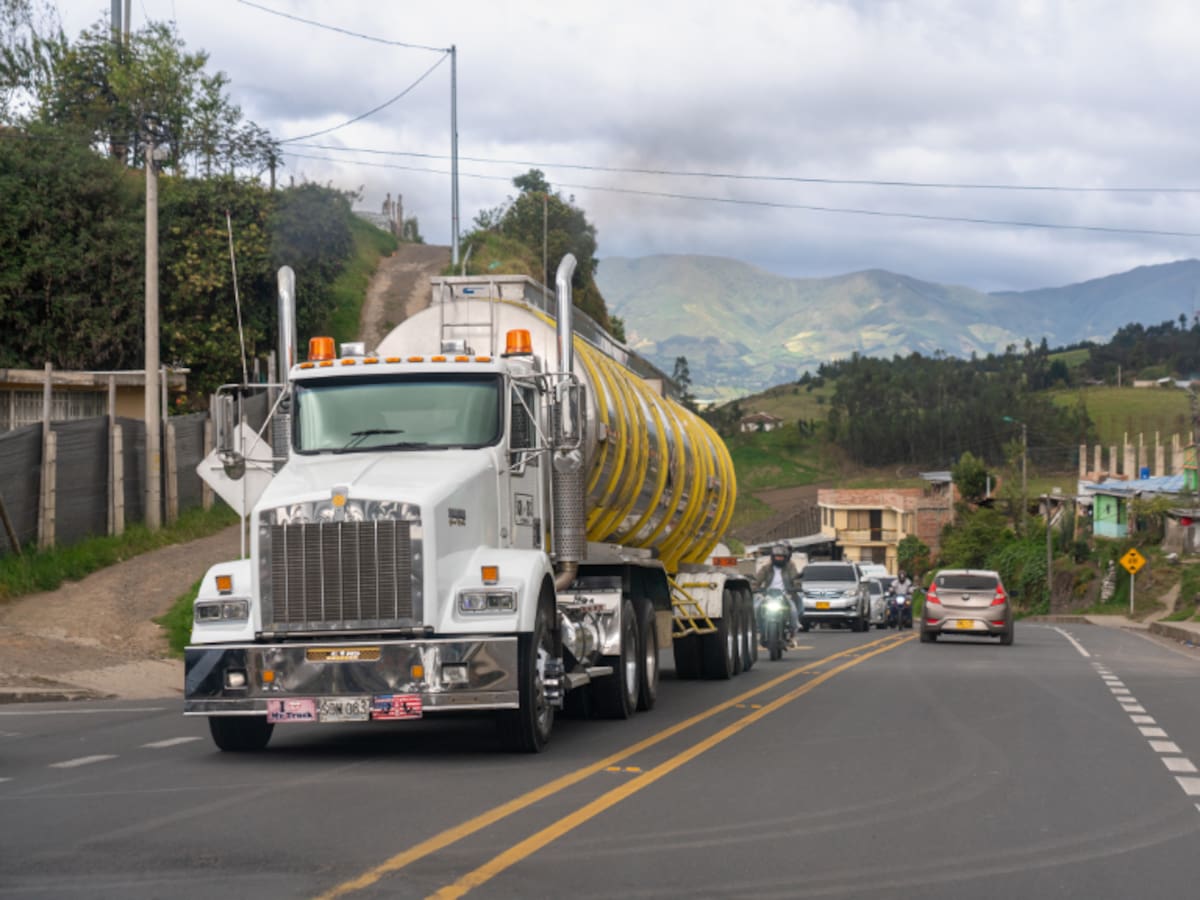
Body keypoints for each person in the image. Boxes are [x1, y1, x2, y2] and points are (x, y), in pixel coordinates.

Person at [753, 543, 801, 642]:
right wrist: (754, 587)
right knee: (756, 607)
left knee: (793, 611)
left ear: (786, 557)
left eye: (781, 557)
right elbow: (757, 581)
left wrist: (796, 587)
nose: (779, 559)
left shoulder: (790, 567)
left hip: (785, 595)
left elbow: (795, 579)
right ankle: (761, 631)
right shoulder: (766, 568)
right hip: (768, 596)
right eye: (777, 557)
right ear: (773, 557)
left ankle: (792, 634)